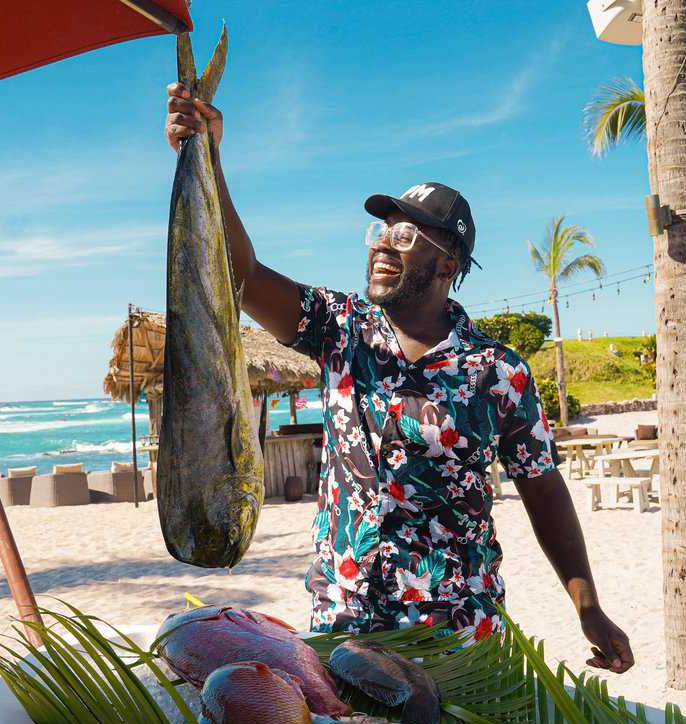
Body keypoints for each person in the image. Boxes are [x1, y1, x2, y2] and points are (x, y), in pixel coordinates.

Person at [164, 86, 634, 673]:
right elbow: (239, 273)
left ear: (449, 262)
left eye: (405, 235)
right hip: (343, 624)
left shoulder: (498, 374)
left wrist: (587, 606)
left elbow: (543, 490)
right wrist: (207, 159)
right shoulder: (339, 330)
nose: (384, 245)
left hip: (458, 634)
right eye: (381, 232)